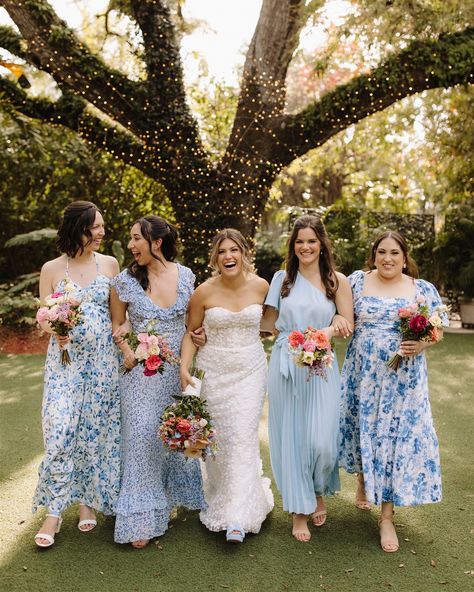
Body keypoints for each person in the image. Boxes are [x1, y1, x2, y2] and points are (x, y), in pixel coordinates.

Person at [338, 230, 448, 553]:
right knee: (365, 431)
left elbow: (437, 329)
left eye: (394, 253)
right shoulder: (356, 282)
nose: (388, 258)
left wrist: (422, 342)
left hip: (405, 379)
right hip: (364, 374)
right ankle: (362, 479)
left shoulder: (420, 288)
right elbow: (341, 315)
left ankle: (387, 516)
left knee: (394, 440)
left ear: (405, 257)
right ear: (373, 255)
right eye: (382, 252)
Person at [110, 215, 205, 548]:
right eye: (131, 238)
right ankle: (140, 515)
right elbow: (119, 325)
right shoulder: (124, 281)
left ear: (157, 242)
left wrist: (199, 336)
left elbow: (193, 324)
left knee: (169, 435)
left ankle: (164, 499)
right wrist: (126, 348)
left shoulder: (187, 276)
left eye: (137, 238)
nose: (132, 245)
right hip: (140, 372)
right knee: (140, 434)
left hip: (177, 371)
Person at [33, 201, 121, 548]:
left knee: (94, 432)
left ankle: (87, 503)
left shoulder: (111, 265)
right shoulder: (52, 268)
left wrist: (128, 347)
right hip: (65, 364)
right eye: (95, 227)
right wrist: (55, 328)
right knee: (60, 429)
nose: (101, 232)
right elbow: (44, 317)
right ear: (77, 229)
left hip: (102, 364)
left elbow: (119, 317)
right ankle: (53, 512)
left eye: (101, 226)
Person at [261, 215, 353, 543]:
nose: (305, 247)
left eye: (311, 241)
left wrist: (326, 331)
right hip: (287, 363)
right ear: (293, 245)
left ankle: (318, 488)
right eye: (299, 242)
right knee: (294, 438)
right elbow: (267, 325)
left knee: (323, 442)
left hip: (322, 364)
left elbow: (347, 320)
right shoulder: (281, 279)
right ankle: (300, 508)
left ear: (322, 244)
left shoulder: (336, 281)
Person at [180, 228, 274, 544]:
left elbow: (273, 325)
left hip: (250, 369)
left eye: (234, 250)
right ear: (215, 258)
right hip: (214, 371)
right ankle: (222, 491)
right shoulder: (203, 292)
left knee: (242, 435)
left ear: (245, 253)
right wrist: (183, 366)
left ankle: (238, 516)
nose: (228, 256)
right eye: (222, 251)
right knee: (220, 440)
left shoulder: (263, 286)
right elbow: (191, 333)